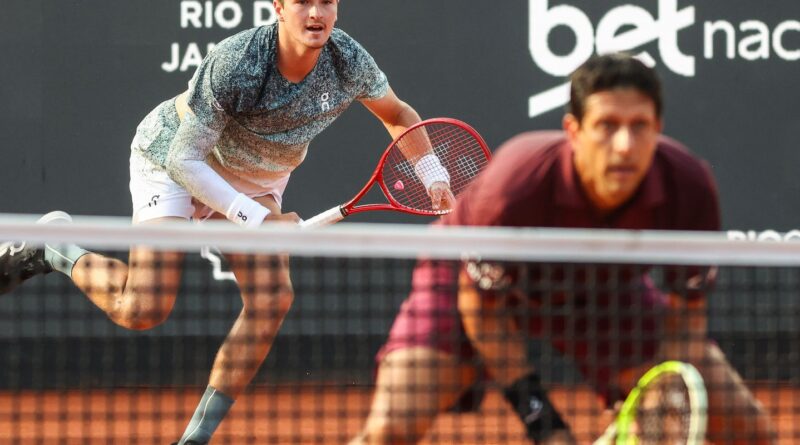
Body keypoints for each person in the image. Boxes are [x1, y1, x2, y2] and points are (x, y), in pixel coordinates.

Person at [0, 1, 453, 444]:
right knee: (141, 309)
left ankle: (196, 439)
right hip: (174, 159)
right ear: (278, 6)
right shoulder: (239, 61)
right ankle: (52, 246)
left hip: (257, 176)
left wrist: (433, 177)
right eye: (302, 2)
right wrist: (257, 220)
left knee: (272, 298)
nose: (315, 13)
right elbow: (184, 159)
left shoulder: (347, 58)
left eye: (326, 2)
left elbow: (399, 116)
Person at [351, 53, 776, 445]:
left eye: (640, 126)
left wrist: (662, 388)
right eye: (607, 125)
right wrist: (543, 421)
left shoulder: (689, 187)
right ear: (574, 130)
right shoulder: (516, 188)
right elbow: (482, 308)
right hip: (466, 285)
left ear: (658, 127)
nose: (624, 145)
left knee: (748, 427)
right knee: (393, 427)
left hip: (603, 293)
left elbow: (687, 315)